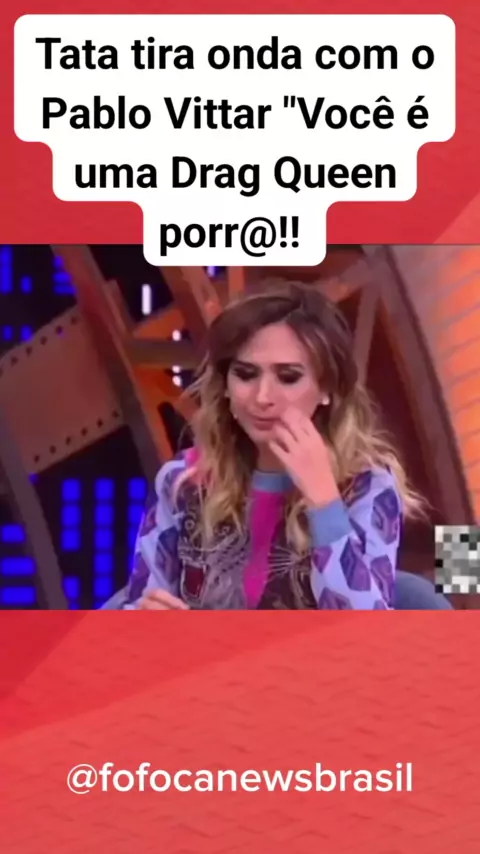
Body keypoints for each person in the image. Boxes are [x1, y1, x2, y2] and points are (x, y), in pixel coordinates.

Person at [123, 283, 424, 611]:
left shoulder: (368, 487)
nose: (263, 397)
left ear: (327, 388)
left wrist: (324, 500)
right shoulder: (182, 480)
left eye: (288, 377)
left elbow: (366, 629)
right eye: (245, 374)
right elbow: (136, 609)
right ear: (225, 385)